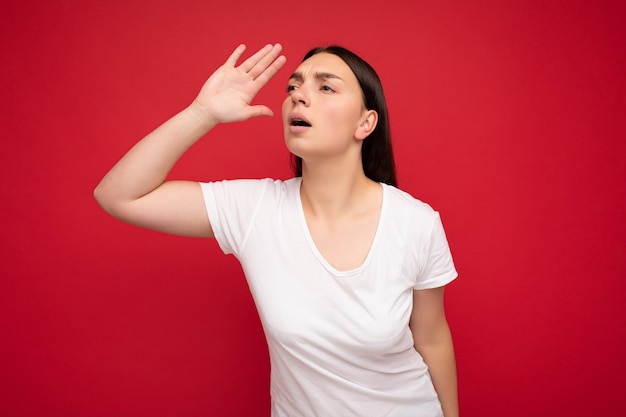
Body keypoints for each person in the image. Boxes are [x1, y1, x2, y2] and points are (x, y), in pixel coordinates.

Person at [94, 43, 459, 417]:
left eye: (326, 87)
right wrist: (201, 113)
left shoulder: (416, 223)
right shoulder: (256, 210)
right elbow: (119, 196)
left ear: (365, 123)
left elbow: (431, 338)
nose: (299, 96)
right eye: (293, 87)